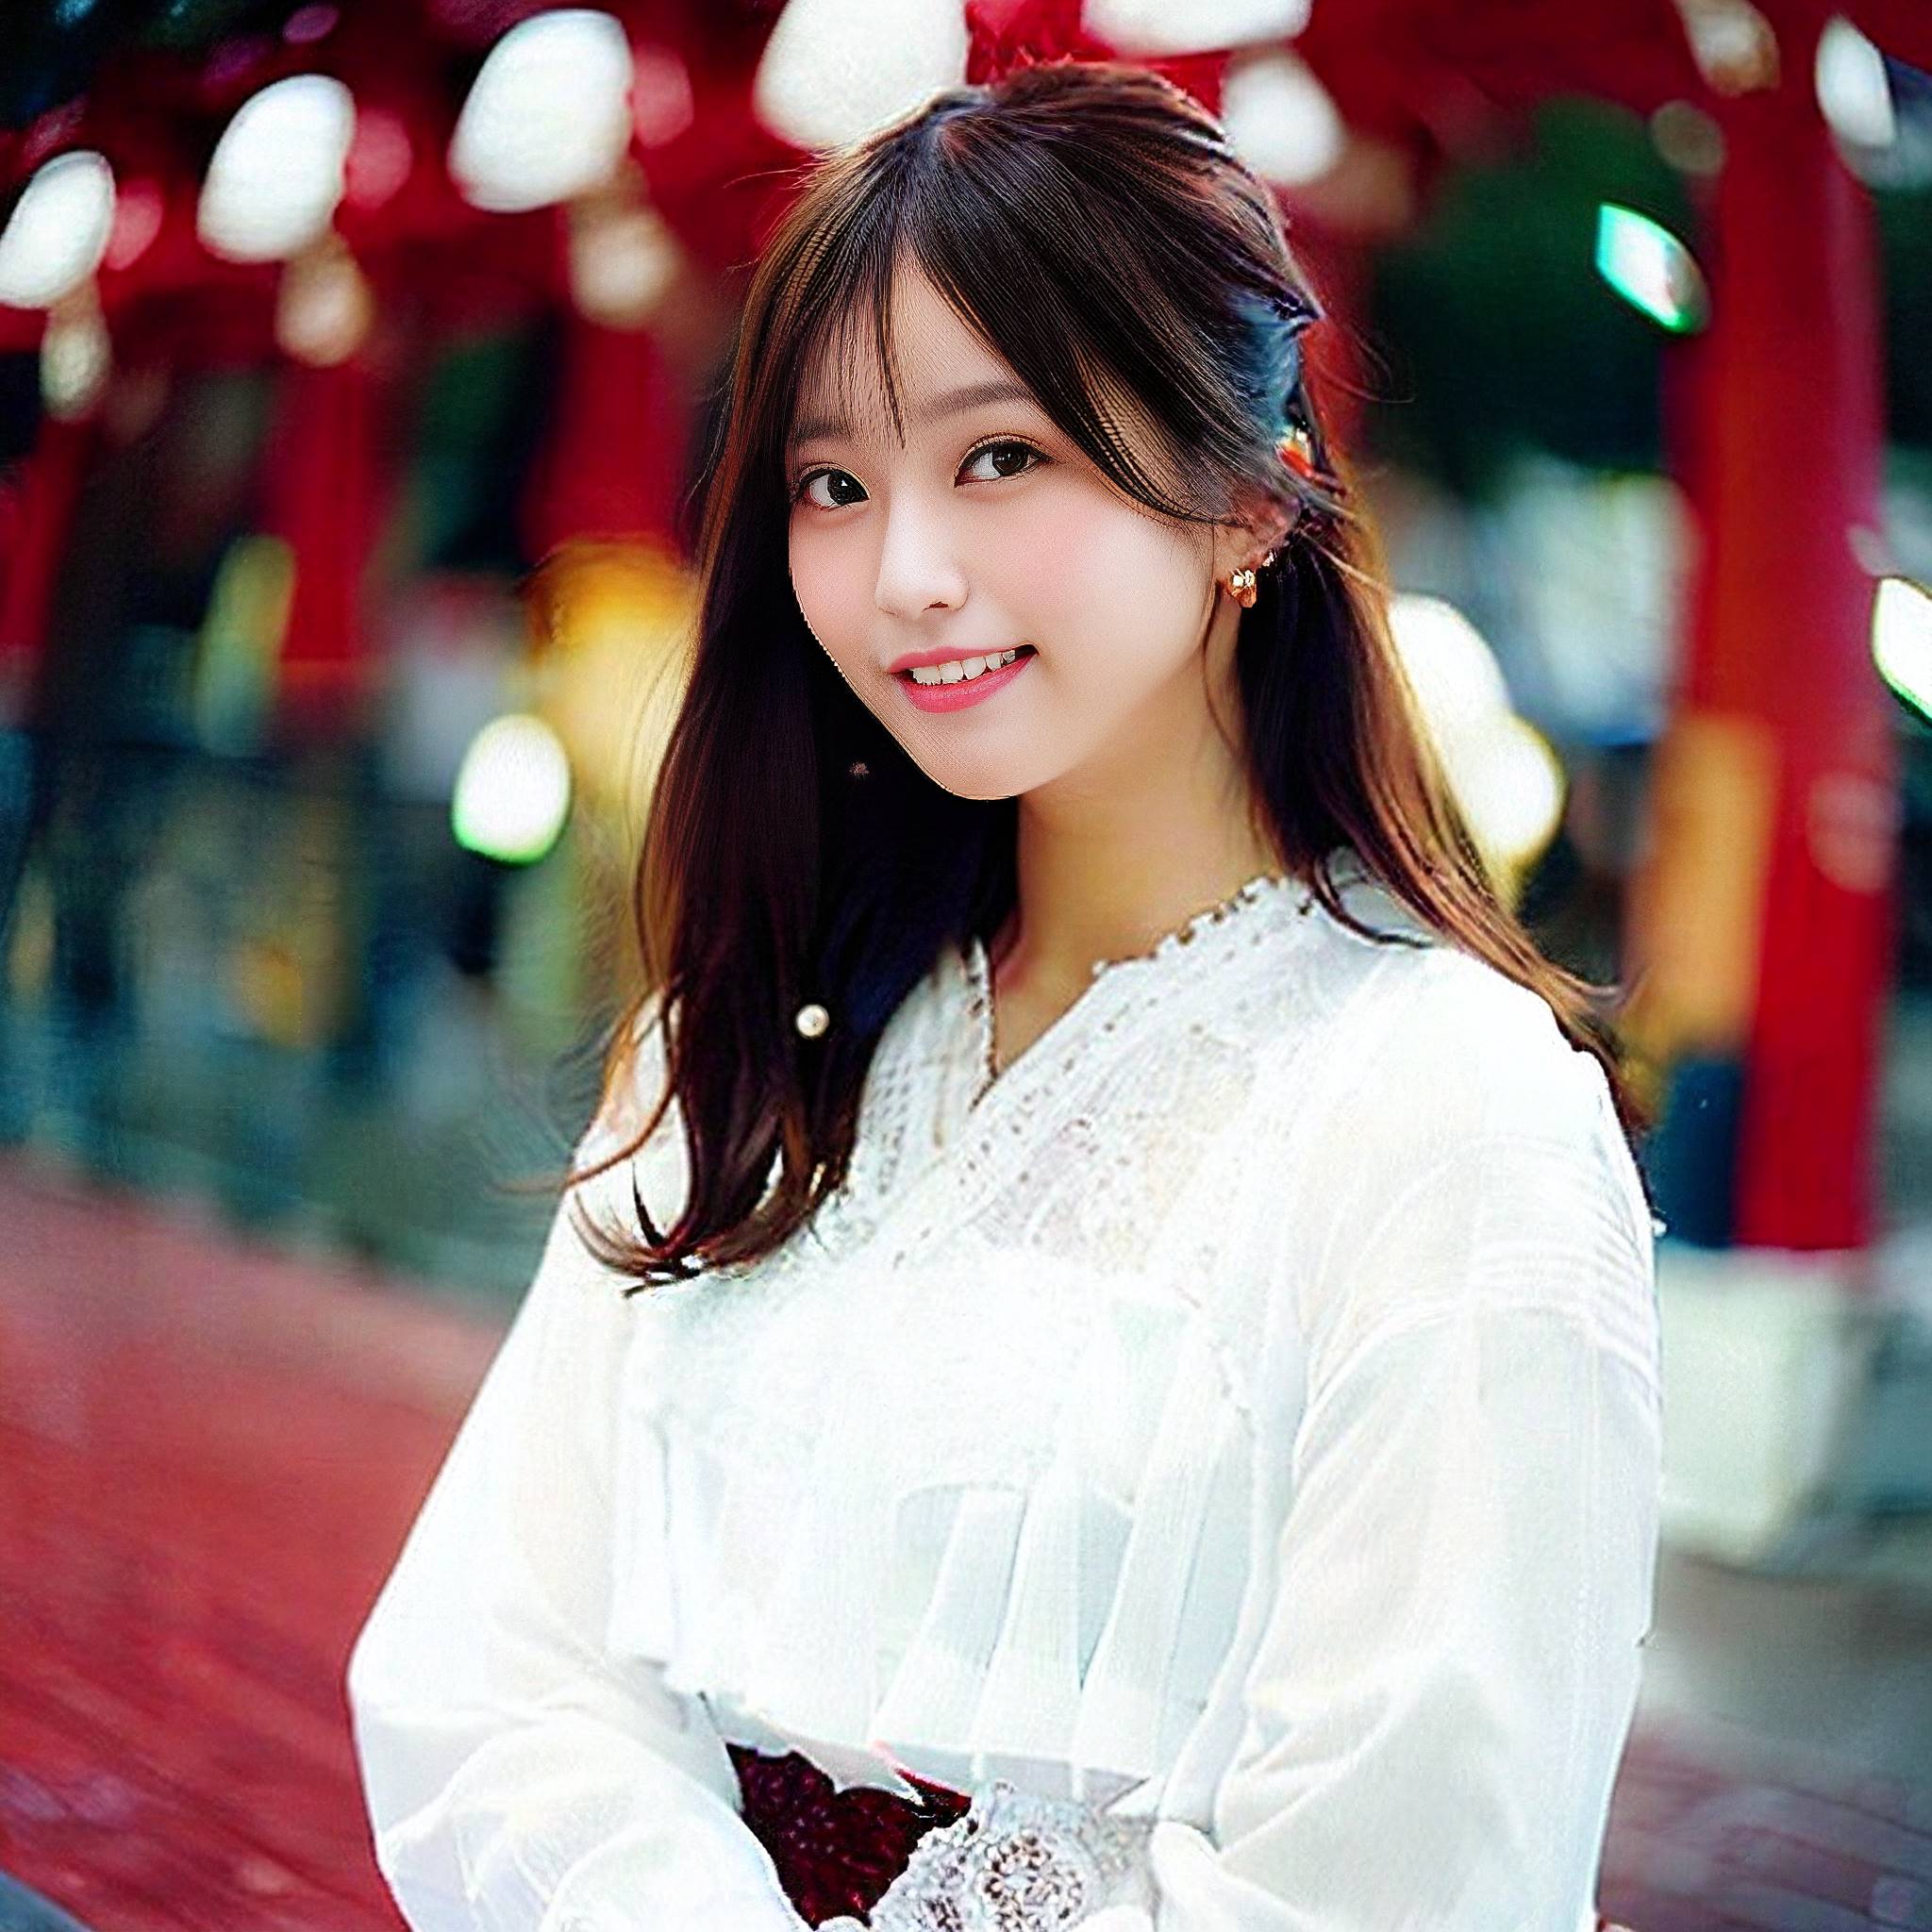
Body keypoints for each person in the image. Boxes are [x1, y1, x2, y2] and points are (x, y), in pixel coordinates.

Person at [345, 58, 1663, 1932]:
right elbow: (497, 1665)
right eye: (830, 479)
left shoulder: (1442, 1110)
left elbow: (1406, 1870)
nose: (902, 575)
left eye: (1000, 455)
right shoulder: (745, 1027)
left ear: (1250, 509)